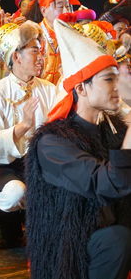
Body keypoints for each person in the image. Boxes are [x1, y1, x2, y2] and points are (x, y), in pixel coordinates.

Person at [25, 18, 131, 279]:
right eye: (108, 79)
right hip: (70, 256)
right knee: (116, 238)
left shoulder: (113, 128)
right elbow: (109, 183)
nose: (116, 87)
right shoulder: (51, 142)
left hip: (108, 231)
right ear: (81, 88)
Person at [0, 21, 58, 247]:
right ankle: (5, 221)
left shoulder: (49, 90)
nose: (41, 57)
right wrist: (22, 126)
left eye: (40, 51)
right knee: (14, 192)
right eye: (35, 51)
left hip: (40, 164)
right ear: (16, 57)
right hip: (5, 166)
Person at [37, 0, 80, 85]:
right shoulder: (35, 34)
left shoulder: (75, 34)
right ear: (44, 11)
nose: (66, 11)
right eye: (60, 6)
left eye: (68, 7)